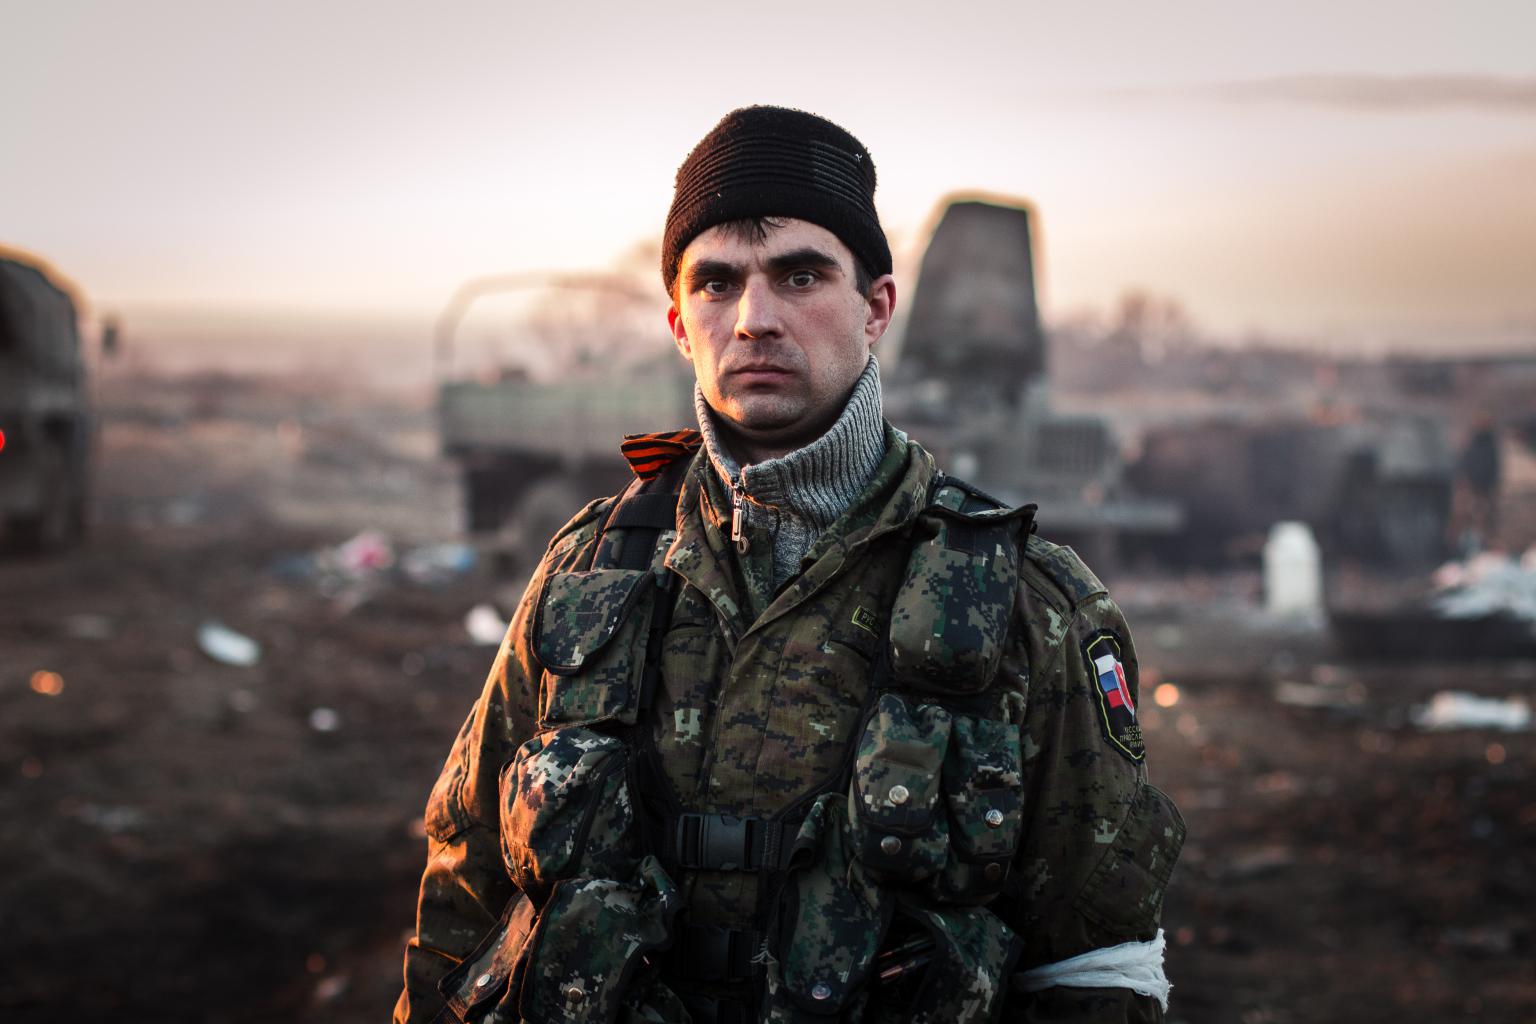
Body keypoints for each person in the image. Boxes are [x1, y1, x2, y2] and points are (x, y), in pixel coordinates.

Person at [395, 105, 1185, 1024]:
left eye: (800, 276)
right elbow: (464, 886)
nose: (755, 320)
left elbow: (1098, 967)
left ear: (876, 307)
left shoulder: (1027, 603)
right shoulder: (588, 570)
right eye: (717, 283)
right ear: (679, 323)